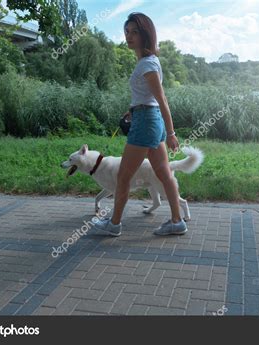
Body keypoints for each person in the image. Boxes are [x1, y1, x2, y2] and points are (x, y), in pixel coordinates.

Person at [92, 12, 187, 236]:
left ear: (146, 35)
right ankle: (177, 221)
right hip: (148, 119)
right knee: (164, 173)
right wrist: (133, 109)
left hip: (146, 123)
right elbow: (150, 98)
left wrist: (172, 133)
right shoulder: (148, 62)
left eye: (135, 32)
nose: (129, 36)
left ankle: (114, 224)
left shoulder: (147, 64)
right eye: (127, 32)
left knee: (123, 176)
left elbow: (162, 99)